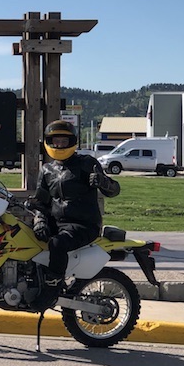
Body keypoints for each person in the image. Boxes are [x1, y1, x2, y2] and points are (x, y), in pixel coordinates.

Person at [27, 119, 120, 310]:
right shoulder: (47, 170)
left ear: (73, 142)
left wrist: (102, 181)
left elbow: (114, 190)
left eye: (64, 141)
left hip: (83, 224)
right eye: (56, 141)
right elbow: (40, 202)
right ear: (48, 142)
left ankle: (51, 289)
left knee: (57, 244)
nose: (59, 145)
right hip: (57, 223)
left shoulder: (86, 163)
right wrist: (40, 220)